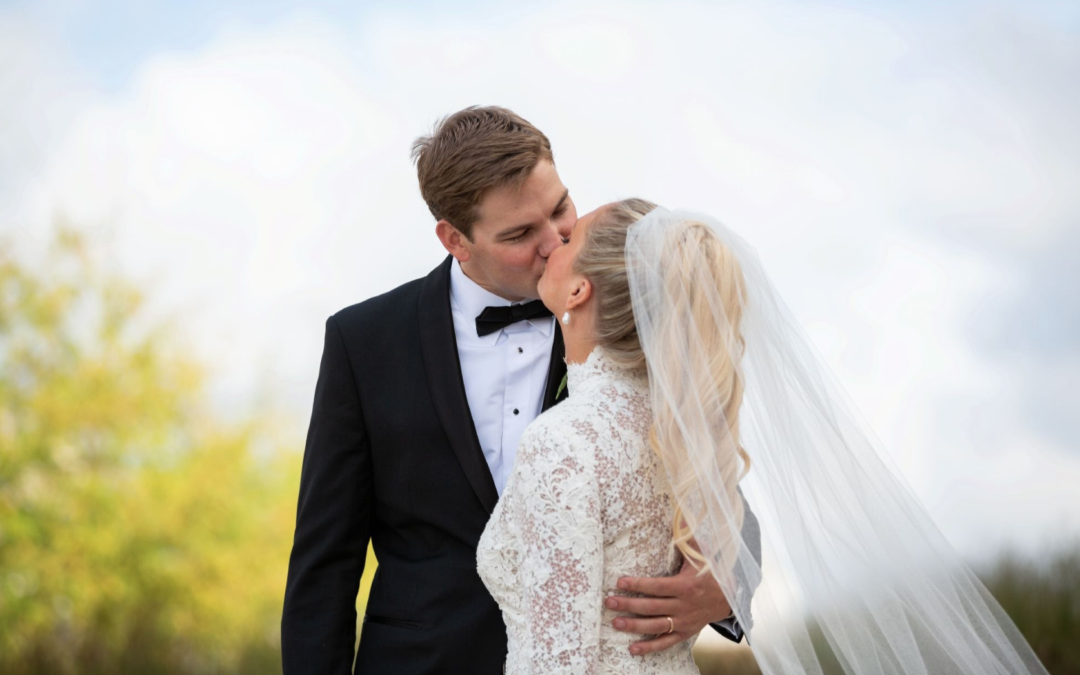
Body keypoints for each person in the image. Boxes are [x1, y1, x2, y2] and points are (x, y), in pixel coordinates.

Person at [478, 199, 1050, 675]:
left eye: (568, 231)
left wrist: (724, 586)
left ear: (580, 291)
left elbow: (555, 664)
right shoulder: (683, 435)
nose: (552, 240)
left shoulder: (565, 441)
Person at [280, 107, 758, 675]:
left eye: (560, 209)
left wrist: (727, 588)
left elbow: (710, 473)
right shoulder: (363, 342)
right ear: (455, 238)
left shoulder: (626, 311)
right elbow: (324, 562)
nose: (555, 242)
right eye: (519, 234)